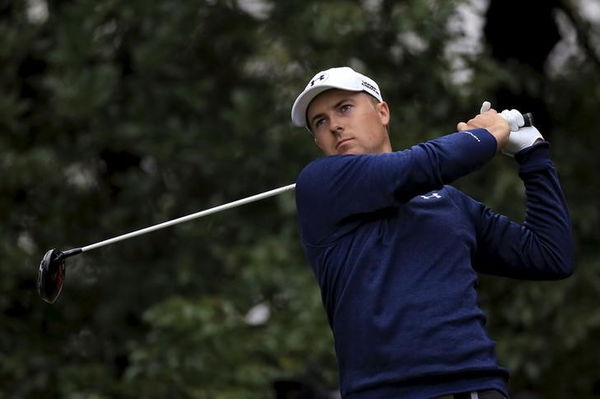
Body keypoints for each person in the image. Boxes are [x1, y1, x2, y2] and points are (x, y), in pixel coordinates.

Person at [290, 66, 574, 399]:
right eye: (320, 121)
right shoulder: (319, 184)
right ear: (317, 139)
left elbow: (550, 255)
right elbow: (424, 164)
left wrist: (533, 155)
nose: (335, 125)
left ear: (382, 112)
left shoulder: (449, 202)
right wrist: (489, 133)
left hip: (478, 387)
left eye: (344, 108)